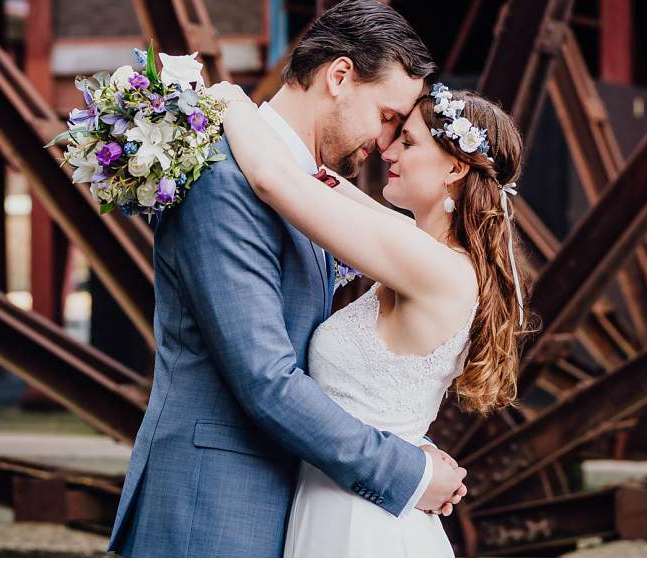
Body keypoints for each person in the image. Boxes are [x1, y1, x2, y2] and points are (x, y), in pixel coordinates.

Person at [108, 0, 468, 557]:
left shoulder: (308, 190)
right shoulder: (224, 180)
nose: (385, 142)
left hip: (291, 504)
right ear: (340, 76)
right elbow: (265, 379)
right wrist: (408, 470)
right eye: (387, 116)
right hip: (212, 510)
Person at [205, 69, 531, 556]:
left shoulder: (431, 265)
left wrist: (226, 98)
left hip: (360, 518)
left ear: (455, 169)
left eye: (408, 142)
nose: (388, 151)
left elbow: (276, 181)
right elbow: (325, 183)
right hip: (353, 495)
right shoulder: (431, 252)